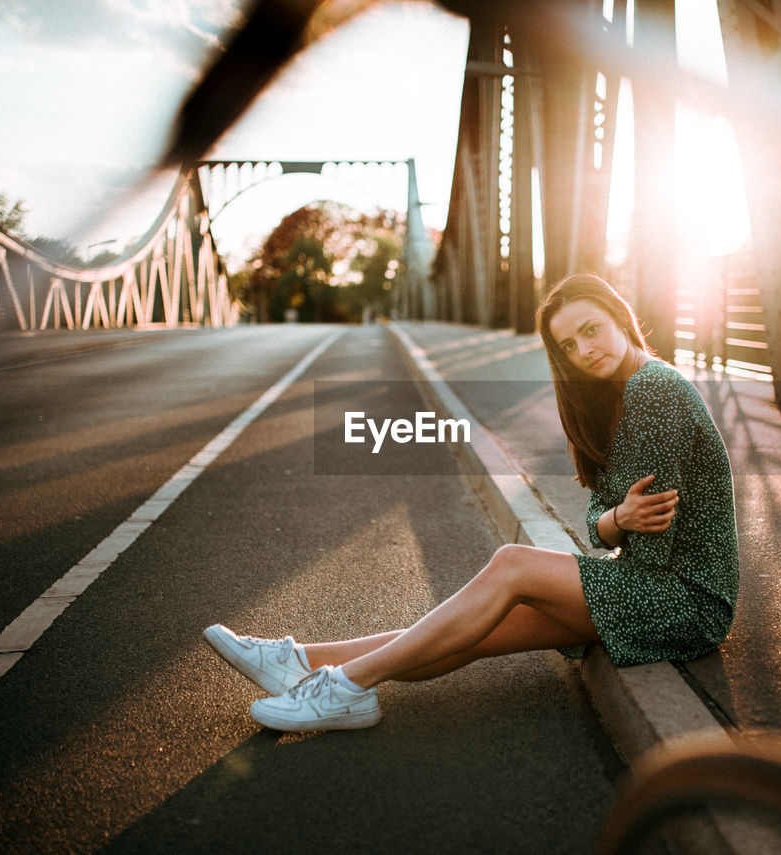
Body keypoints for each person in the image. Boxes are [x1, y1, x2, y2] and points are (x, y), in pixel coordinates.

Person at [204, 273, 739, 732]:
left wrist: (615, 527)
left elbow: (652, 552)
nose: (584, 350)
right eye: (569, 346)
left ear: (621, 317)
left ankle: (347, 686)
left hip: (685, 601)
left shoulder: (655, 389)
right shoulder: (616, 394)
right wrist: (617, 519)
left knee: (512, 564)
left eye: (590, 330)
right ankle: (299, 664)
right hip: (658, 590)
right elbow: (598, 518)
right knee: (477, 629)